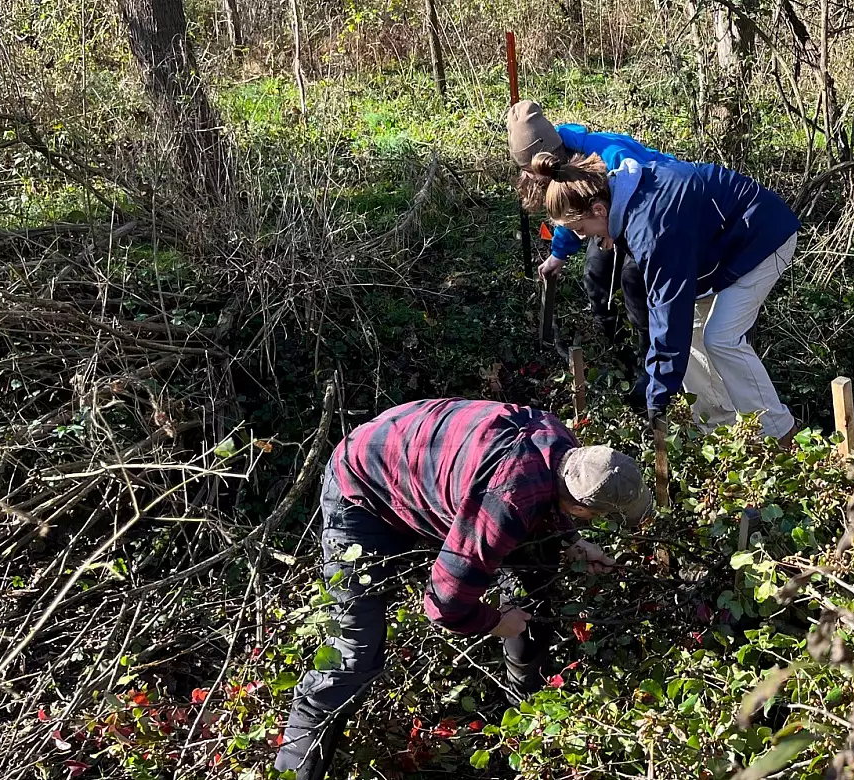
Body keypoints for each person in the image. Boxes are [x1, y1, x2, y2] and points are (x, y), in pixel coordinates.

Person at [275, 398, 650, 779]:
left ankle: (528, 723)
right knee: (355, 653)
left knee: (535, 571)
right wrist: (496, 622)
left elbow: (547, 494)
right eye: (597, 516)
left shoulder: (561, 445)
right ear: (582, 506)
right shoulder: (507, 498)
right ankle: (294, 771)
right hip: (362, 488)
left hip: (415, 461)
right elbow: (444, 602)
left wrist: (571, 540)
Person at [517, 150, 800, 442]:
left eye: (581, 229)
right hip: (719, 247)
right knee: (691, 333)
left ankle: (779, 431)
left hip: (763, 237)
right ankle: (718, 426)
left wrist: (658, 397)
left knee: (721, 338)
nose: (586, 236)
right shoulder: (622, 194)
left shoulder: (652, 227)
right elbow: (667, 311)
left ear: (599, 210)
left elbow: (668, 311)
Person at [507, 100, 676, 365]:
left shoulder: (607, 154)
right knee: (595, 274)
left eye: (534, 173)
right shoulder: (552, 167)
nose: (535, 179)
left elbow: (649, 191)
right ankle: (617, 354)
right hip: (604, 218)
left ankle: (651, 362)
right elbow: (570, 212)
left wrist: (617, 231)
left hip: (652, 217)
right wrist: (558, 255)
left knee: (633, 281)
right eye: (529, 173)